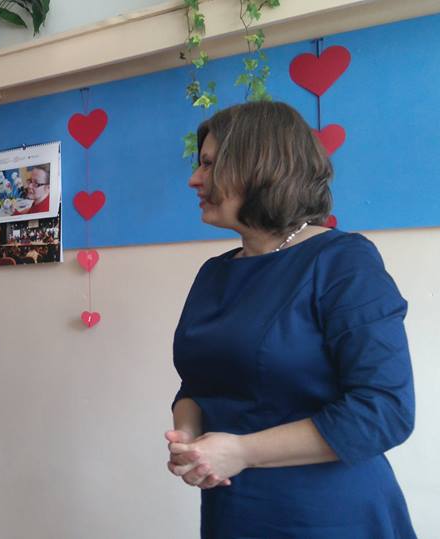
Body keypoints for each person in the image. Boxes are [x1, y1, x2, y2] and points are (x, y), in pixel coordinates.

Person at [167, 101, 416, 538]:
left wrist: (243, 451)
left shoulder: (343, 262)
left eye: (208, 164)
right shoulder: (214, 273)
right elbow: (198, 383)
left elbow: (384, 410)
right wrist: (188, 436)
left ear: (259, 166)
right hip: (233, 507)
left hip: (328, 515)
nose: (195, 179)